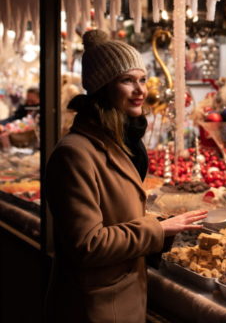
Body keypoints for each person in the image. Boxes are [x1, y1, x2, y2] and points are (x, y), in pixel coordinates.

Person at [45, 29, 207, 322]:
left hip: (122, 297)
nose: (140, 90)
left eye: (142, 79)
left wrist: (163, 225)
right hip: (94, 307)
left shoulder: (121, 143)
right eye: (127, 80)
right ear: (103, 87)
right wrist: (159, 230)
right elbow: (87, 245)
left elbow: (117, 217)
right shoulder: (75, 153)